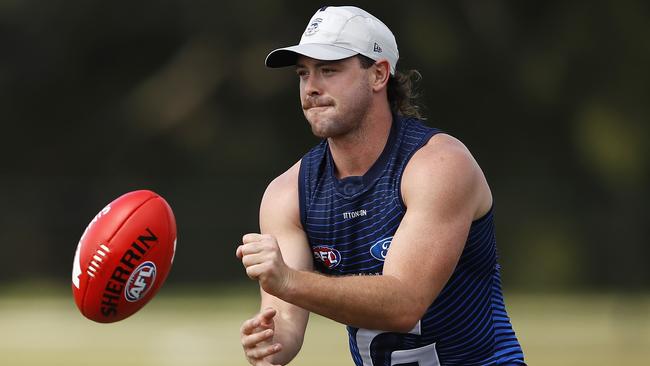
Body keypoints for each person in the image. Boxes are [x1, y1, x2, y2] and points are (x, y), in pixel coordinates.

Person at [236, 5, 525, 366]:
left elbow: (404, 303)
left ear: (378, 75)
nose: (311, 87)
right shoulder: (287, 194)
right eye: (303, 73)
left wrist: (290, 281)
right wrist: (270, 343)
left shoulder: (439, 165)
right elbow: (286, 323)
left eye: (328, 70)